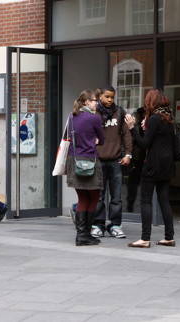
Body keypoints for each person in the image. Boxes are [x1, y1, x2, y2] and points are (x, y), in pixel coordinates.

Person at [123, 89, 176, 249]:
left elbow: (144, 143)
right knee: (164, 200)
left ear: (151, 102)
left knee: (146, 200)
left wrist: (132, 128)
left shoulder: (154, 119)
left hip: (153, 164)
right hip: (167, 164)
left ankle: (145, 238)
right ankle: (169, 237)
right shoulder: (169, 118)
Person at [91, 86, 132, 239]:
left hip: (116, 161)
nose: (110, 100)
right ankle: (98, 225)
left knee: (116, 197)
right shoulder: (94, 113)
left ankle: (115, 225)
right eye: (107, 96)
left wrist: (128, 154)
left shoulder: (119, 112)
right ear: (100, 96)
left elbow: (126, 134)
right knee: (99, 196)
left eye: (112, 97)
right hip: (98, 160)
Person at [65, 89, 104, 246]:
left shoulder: (72, 117)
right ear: (87, 102)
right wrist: (94, 140)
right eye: (95, 100)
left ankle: (81, 235)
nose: (97, 103)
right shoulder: (94, 118)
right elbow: (102, 139)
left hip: (74, 161)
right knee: (94, 198)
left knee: (82, 198)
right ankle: (85, 235)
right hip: (90, 161)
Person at [125, 107, 146, 212]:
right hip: (138, 159)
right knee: (135, 183)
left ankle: (131, 204)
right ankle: (131, 204)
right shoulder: (138, 128)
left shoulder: (139, 128)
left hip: (138, 159)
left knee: (133, 184)